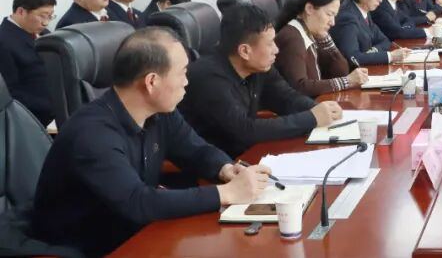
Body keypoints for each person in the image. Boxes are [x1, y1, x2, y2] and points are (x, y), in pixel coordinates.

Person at [30, 27, 271, 256]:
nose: (186, 81)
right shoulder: (92, 134)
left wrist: (226, 169)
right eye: (182, 73)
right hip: (90, 247)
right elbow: (137, 201)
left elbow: (196, 150)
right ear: (152, 81)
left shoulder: (159, 112)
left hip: (137, 232)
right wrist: (225, 193)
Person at [180, 5, 343, 157]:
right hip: (216, 165)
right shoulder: (210, 79)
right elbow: (245, 131)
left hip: (245, 155)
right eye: (270, 44)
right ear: (245, 51)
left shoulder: (257, 66)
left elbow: (286, 97)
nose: (276, 50)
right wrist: (311, 118)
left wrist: (318, 109)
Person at [273, 0, 368, 97]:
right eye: (329, 14)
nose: (332, 22)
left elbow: (341, 72)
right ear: (309, 9)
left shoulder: (311, 31)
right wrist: (347, 82)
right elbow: (300, 87)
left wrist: (326, 41)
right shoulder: (292, 37)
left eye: (334, 16)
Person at [329, 0, 410, 66]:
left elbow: (385, 41)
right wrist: (390, 56)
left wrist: (371, 52)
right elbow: (353, 58)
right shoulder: (347, 18)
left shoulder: (365, 12)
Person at [0, 0, 56, 125]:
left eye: (50, 16)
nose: (46, 23)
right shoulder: (3, 41)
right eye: (42, 16)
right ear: (21, 11)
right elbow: (10, 93)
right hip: (32, 120)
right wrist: (53, 106)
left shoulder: (44, 33)